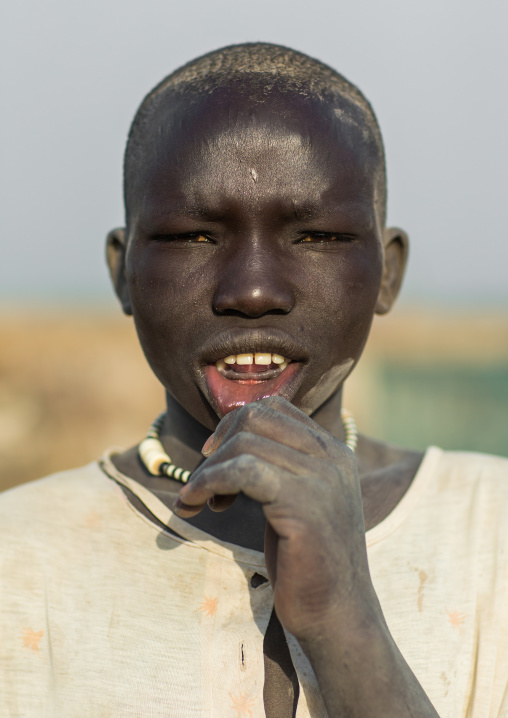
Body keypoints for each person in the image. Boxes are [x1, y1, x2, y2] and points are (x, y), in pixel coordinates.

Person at [1, 43, 507, 718]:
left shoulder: (490, 531)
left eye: (318, 236)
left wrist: (345, 622)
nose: (254, 290)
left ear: (387, 273)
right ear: (123, 271)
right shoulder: (18, 557)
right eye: (194, 237)